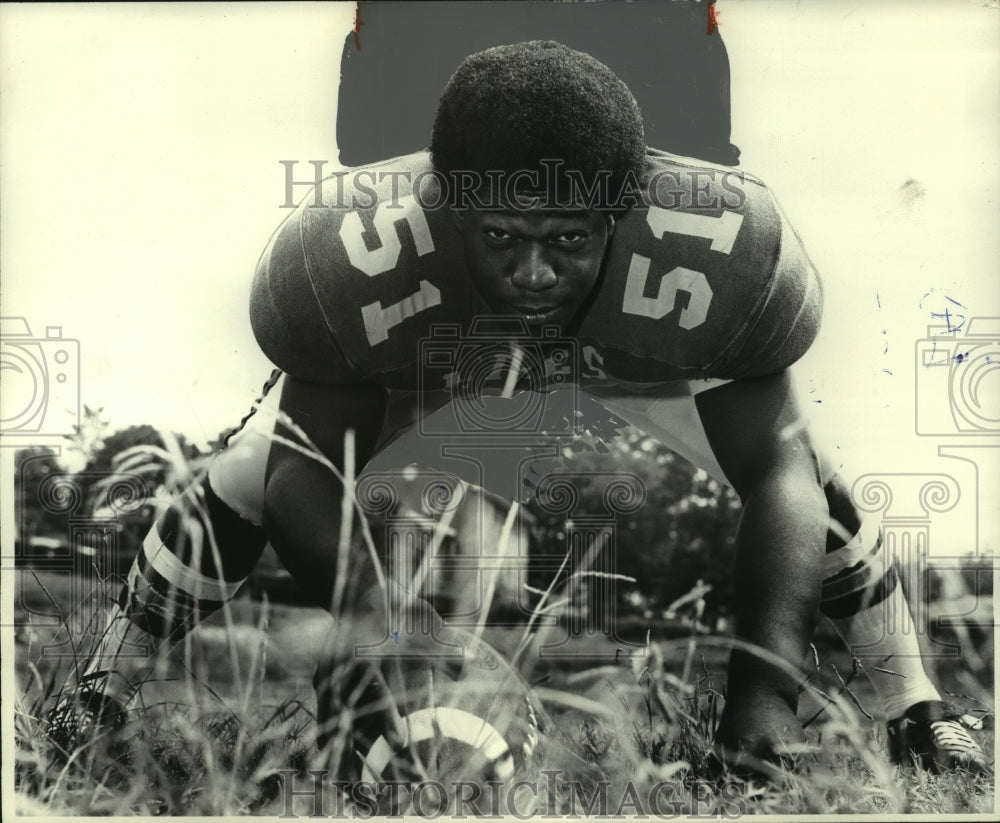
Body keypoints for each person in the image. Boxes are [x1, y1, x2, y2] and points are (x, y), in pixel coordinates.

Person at [74, 41, 987, 775]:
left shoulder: (717, 253)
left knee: (814, 473)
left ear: (623, 213)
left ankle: (916, 708)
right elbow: (307, 472)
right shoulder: (352, 256)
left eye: (567, 239)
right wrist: (375, 631)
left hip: (628, 347)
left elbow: (775, 470)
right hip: (444, 340)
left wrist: (765, 695)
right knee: (241, 472)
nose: (535, 271)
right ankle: (98, 690)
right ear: (447, 202)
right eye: (502, 234)